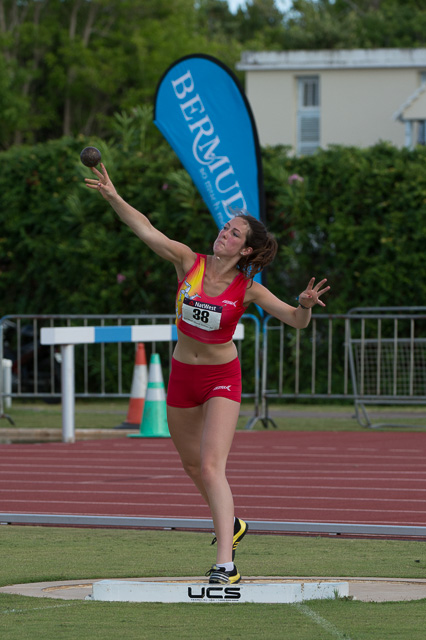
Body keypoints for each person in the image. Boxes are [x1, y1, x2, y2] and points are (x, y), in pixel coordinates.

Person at [85, 164, 330, 585]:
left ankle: (225, 565)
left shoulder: (248, 288)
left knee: (212, 465)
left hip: (221, 378)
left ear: (246, 250)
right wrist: (113, 195)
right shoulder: (188, 262)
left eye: (235, 234)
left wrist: (305, 305)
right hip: (183, 375)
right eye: (226, 228)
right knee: (191, 465)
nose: (224, 234)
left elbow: (295, 320)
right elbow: (146, 229)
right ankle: (231, 523)